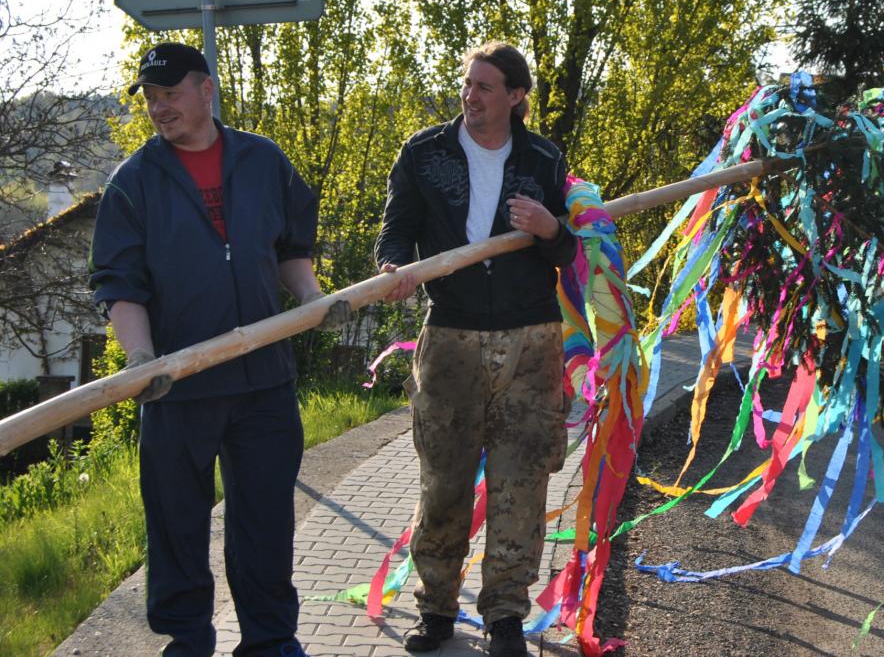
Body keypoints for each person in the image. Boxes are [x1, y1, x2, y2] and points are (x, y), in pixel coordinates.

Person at [90, 42, 345, 657]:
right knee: (177, 522)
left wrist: (312, 298)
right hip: (178, 386)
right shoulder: (133, 183)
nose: (159, 107)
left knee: (265, 520)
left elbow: (290, 247)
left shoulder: (263, 160)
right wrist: (140, 359)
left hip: (264, 379)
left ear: (207, 90)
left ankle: (270, 640)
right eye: (151, 98)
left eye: (170, 93)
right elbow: (119, 283)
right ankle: (187, 641)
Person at [375, 41, 576, 657]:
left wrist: (549, 228)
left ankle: (506, 616)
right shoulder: (424, 152)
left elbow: (567, 249)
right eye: (468, 84)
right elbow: (396, 229)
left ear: (515, 97)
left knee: (522, 483)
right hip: (451, 339)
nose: (471, 96)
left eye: (485, 87)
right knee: (444, 481)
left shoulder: (544, 158)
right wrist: (392, 267)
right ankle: (436, 609)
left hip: (531, 342)